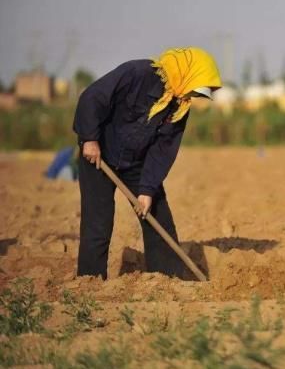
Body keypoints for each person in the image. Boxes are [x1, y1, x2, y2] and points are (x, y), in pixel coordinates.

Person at [73, 47, 222, 279]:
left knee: (158, 216)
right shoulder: (137, 73)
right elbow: (93, 98)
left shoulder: (179, 107)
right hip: (99, 155)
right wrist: (89, 139)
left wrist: (147, 189)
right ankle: (89, 281)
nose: (192, 97)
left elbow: (163, 149)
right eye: (195, 90)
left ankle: (167, 278)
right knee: (98, 222)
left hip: (136, 163)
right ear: (187, 74)